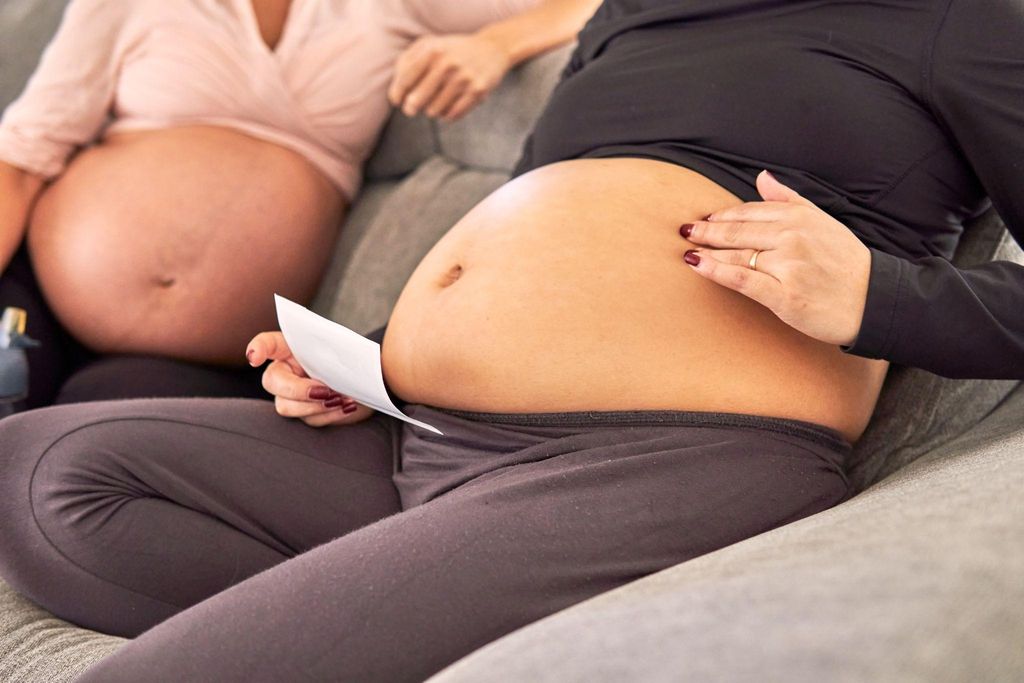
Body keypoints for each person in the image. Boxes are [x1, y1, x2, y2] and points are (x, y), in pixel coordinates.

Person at [2, 0, 1023, 680]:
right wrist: (372, 353)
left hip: (655, 462)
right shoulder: (636, 9)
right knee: (45, 469)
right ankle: (405, 596)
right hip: (421, 430)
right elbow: (533, 223)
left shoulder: (958, 19)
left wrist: (875, 296)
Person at [0, 0, 595, 408]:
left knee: (90, 438)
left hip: (209, 355)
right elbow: (22, 159)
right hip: (41, 302)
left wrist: (495, 44)